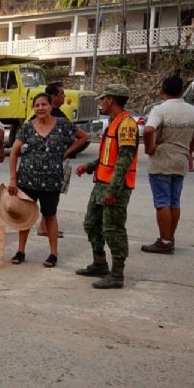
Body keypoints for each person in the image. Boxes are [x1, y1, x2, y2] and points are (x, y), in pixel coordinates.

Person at [75, 84, 140, 290]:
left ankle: (117, 274)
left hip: (115, 187)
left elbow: (124, 161)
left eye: (103, 99)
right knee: (91, 224)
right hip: (101, 183)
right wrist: (90, 166)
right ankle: (100, 264)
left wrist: (113, 191)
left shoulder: (127, 125)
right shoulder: (113, 123)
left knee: (113, 230)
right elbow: (108, 156)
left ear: (110, 100)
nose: (101, 103)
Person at [7, 93, 80, 268]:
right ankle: (20, 250)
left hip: (51, 181)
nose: (40, 108)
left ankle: (53, 253)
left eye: (44, 104)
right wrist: (13, 179)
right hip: (27, 180)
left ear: (51, 106)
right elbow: (14, 153)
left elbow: (83, 137)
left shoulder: (62, 124)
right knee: (25, 216)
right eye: (37, 105)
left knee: (50, 215)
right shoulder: (27, 127)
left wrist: (66, 152)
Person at [141, 74, 194, 254]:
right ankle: (170, 238)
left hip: (162, 159)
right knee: (174, 201)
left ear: (162, 90)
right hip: (180, 159)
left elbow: (149, 129)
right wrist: (188, 151)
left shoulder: (160, 110)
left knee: (162, 202)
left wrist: (150, 148)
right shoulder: (193, 111)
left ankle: (165, 241)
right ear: (181, 91)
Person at [35, 82, 90, 237]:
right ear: (53, 97)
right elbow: (83, 136)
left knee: (49, 196)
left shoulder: (47, 117)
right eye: (61, 94)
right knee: (51, 196)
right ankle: (45, 227)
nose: (64, 97)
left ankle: (44, 226)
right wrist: (66, 152)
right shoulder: (58, 117)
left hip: (45, 164)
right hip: (54, 164)